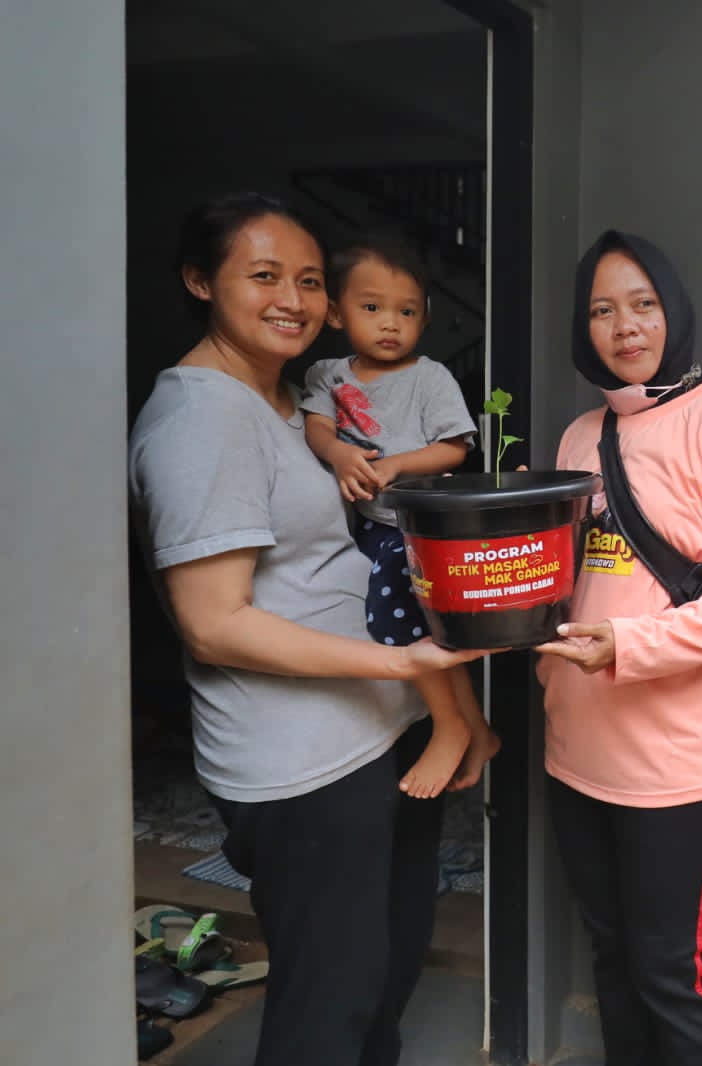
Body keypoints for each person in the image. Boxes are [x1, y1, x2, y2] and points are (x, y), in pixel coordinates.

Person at [128, 192, 490, 1066]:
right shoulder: (201, 418)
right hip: (301, 767)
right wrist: (400, 663)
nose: (291, 298)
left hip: (372, 737)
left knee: (380, 977)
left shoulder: (294, 402)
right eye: (262, 277)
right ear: (198, 282)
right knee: (325, 1008)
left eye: (307, 280)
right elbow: (214, 626)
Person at [534, 230, 702, 1066]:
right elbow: (569, 579)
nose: (624, 326)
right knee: (611, 953)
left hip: (679, 762)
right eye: (602, 310)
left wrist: (631, 644)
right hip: (576, 750)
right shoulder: (581, 437)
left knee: (673, 971)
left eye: (642, 304)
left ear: (672, 313)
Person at [300, 233, 499, 799]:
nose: (390, 323)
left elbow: (455, 448)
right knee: (423, 630)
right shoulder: (328, 376)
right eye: (372, 308)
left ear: (425, 317)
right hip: (369, 527)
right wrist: (339, 453)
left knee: (399, 623)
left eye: (406, 311)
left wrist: (394, 467)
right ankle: (478, 731)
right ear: (336, 313)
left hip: (414, 529)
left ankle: (450, 724)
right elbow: (317, 426)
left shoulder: (429, 377)